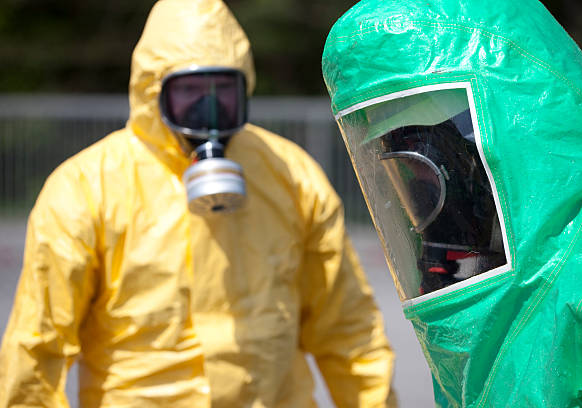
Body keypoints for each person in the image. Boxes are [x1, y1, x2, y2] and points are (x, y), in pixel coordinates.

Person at [0, 0, 398, 407]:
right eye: (189, 90)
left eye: (223, 91)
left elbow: (348, 331)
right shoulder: (86, 188)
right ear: (153, 91)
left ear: (244, 89)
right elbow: (38, 347)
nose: (207, 108)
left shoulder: (291, 177)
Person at [322, 0, 582, 407]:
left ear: (512, 146)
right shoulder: (492, 298)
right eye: (411, 190)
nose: (430, 220)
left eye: (437, 182)